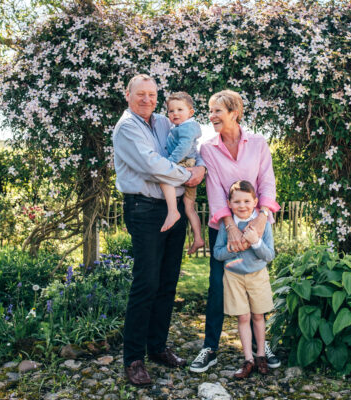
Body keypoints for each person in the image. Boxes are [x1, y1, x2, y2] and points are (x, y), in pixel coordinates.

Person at [112, 74, 206, 386]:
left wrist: (201, 167)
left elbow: (192, 143)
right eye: (141, 94)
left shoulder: (164, 121)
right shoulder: (127, 128)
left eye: (152, 95)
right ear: (128, 95)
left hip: (173, 211)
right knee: (146, 284)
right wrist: (187, 173)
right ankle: (134, 359)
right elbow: (153, 165)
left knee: (167, 283)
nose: (147, 100)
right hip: (145, 210)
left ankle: (157, 348)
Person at [190, 89, 281, 373]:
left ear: (234, 113)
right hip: (224, 228)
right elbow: (214, 191)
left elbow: (267, 181)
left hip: (257, 225)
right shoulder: (208, 148)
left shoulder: (257, 142)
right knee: (217, 286)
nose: (212, 116)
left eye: (217, 110)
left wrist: (262, 218)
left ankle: (260, 347)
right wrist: (230, 227)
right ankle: (210, 348)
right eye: (210, 111)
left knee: (257, 284)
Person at [214, 180, 275, 379]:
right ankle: (248, 358)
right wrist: (231, 249)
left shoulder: (261, 223)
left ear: (255, 201)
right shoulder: (228, 225)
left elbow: (269, 255)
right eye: (237, 202)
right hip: (234, 277)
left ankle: (261, 356)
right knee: (243, 317)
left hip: (258, 276)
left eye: (247, 201)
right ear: (229, 204)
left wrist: (255, 242)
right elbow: (217, 253)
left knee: (258, 316)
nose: (242, 206)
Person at [159, 92, 205, 255]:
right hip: (189, 163)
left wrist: (169, 162)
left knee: (163, 178)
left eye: (180, 109)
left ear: (190, 113)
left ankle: (172, 211)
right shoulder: (181, 126)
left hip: (183, 163)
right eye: (171, 111)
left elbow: (184, 147)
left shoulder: (186, 127)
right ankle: (198, 238)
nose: (175, 113)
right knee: (189, 207)